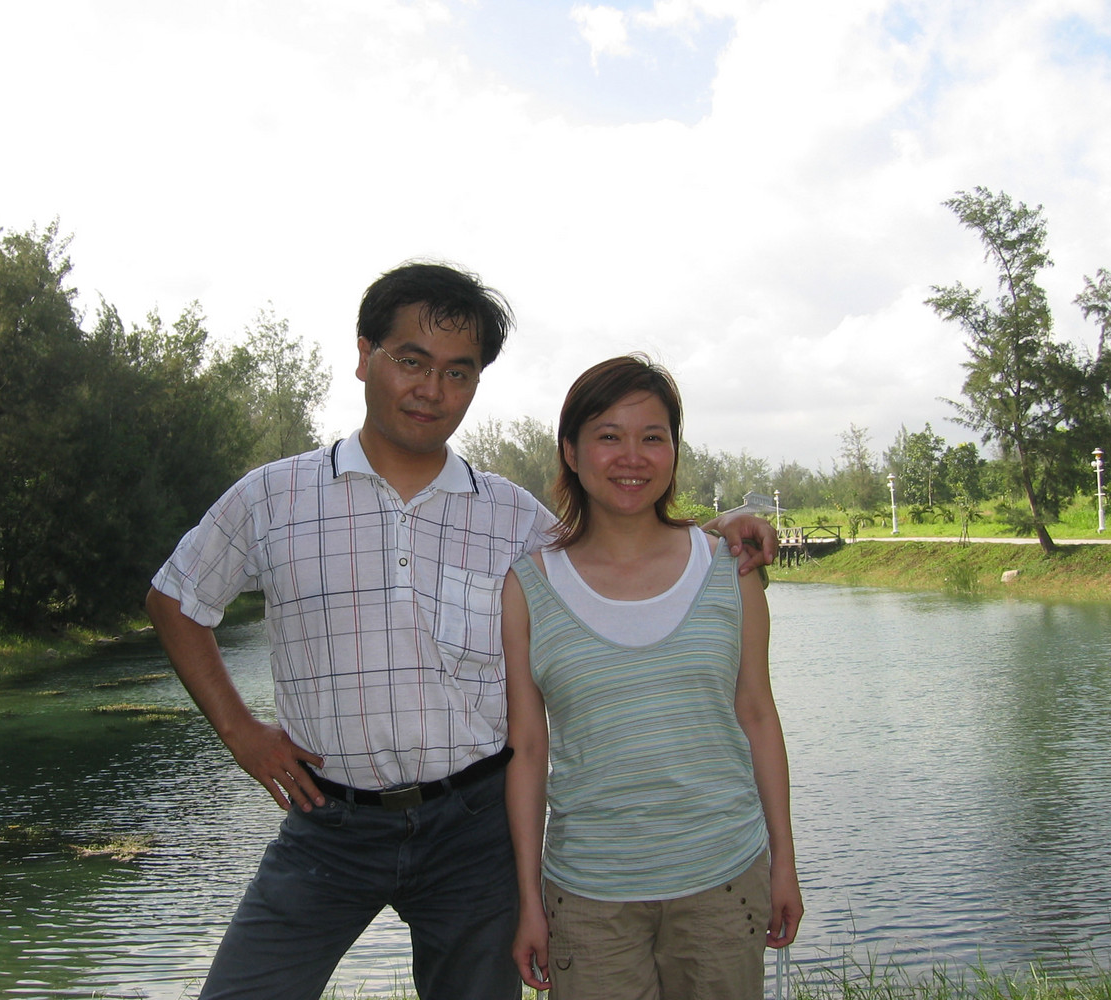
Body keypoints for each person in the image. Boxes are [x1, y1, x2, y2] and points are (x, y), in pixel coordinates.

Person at [146, 263, 780, 1000]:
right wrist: (240, 731)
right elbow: (176, 598)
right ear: (364, 355)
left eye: (458, 371)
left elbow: (616, 550)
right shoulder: (275, 496)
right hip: (328, 823)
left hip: (474, 830)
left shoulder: (511, 518)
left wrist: (719, 529)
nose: (431, 389)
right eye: (411, 361)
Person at [503, 354, 803, 1000]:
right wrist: (529, 897)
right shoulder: (529, 587)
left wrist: (784, 860)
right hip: (589, 895)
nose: (631, 457)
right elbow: (527, 749)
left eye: (652, 437)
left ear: (674, 450)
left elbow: (757, 713)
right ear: (571, 452)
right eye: (608, 436)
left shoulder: (730, 569)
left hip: (724, 879)